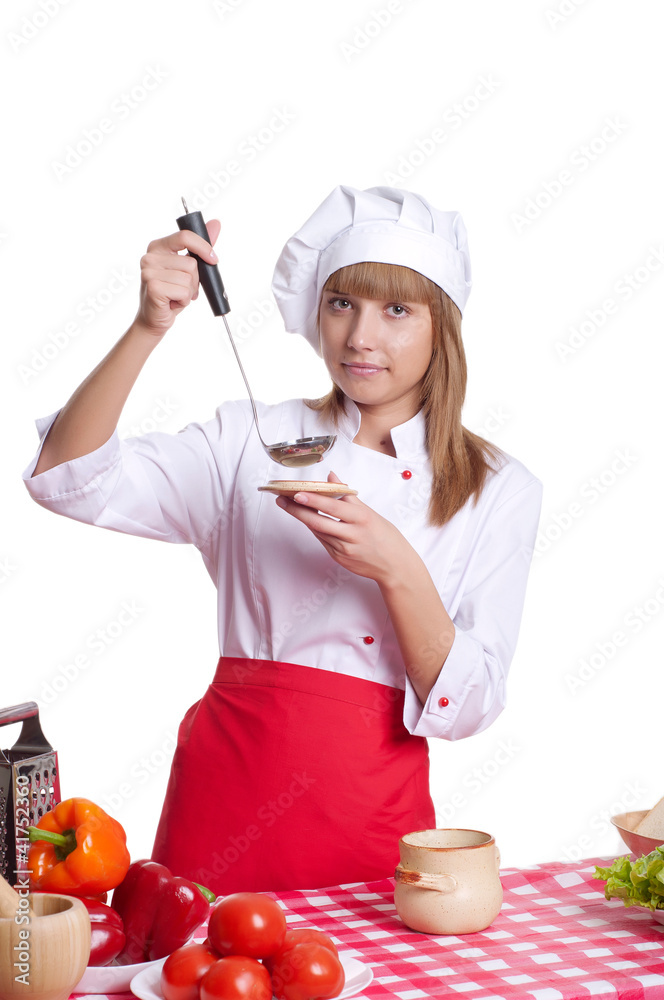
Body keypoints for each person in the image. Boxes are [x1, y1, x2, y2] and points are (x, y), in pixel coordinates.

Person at [23, 185, 542, 894]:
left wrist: (396, 567)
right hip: (222, 795)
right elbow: (68, 477)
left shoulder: (497, 487)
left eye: (396, 309)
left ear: (440, 325)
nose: (360, 337)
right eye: (341, 304)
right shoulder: (250, 440)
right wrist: (147, 328)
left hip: (367, 815)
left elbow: (473, 703)